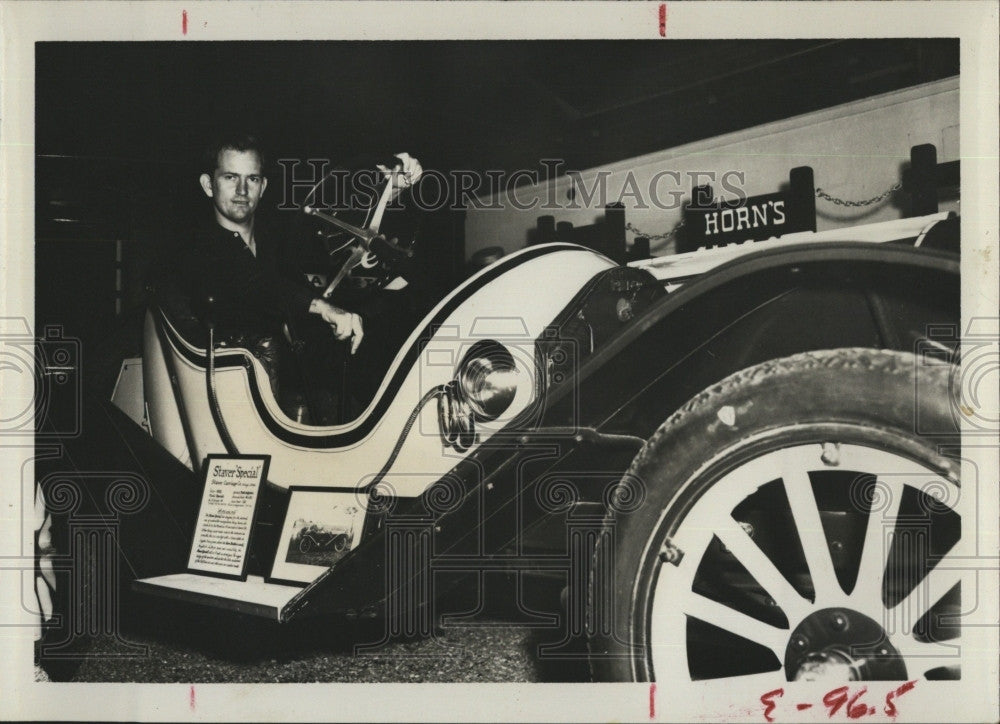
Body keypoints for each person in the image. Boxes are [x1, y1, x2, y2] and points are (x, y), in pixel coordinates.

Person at [170, 133, 421, 421]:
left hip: (302, 403)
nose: (242, 189)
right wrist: (323, 308)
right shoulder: (195, 251)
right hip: (229, 411)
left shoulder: (278, 240)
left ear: (263, 186)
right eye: (230, 177)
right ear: (208, 185)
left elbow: (342, 233)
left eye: (252, 179)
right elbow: (256, 284)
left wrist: (392, 190)